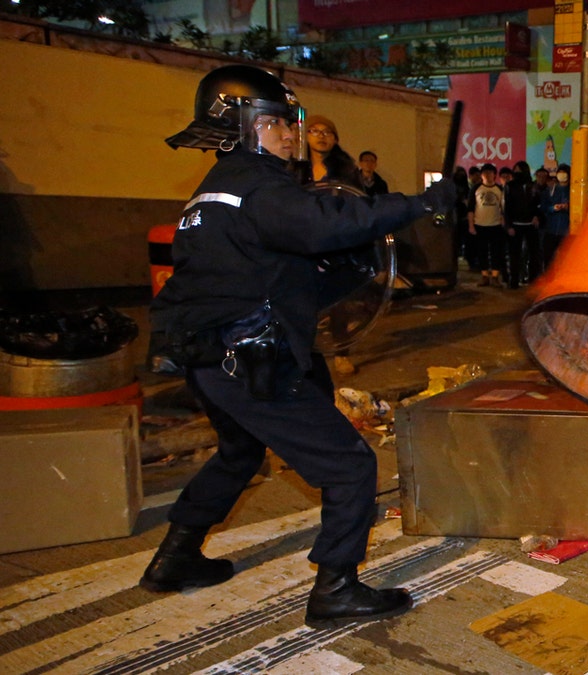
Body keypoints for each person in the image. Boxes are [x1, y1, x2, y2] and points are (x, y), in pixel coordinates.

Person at [143, 65, 456, 629]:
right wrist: (418, 204)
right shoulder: (256, 185)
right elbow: (321, 224)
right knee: (350, 465)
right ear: (239, 127)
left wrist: (348, 269)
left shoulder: (215, 193)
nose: (290, 133)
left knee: (240, 453)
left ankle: (175, 558)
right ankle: (336, 586)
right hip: (247, 360)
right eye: (276, 122)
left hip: (211, 356)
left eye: (294, 121)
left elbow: (281, 280)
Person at [298, 114, 363, 376]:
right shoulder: (295, 167)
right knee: (302, 300)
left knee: (339, 302)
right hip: (303, 242)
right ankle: (303, 352)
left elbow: (358, 204)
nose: (321, 136)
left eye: (328, 132)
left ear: (335, 138)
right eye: (315, 130)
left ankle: (341, 352)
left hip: (336, 241)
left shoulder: (346, 170)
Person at [504, 160, 542, 288]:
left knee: (533, 254)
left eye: (519, 171)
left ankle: (533, 280)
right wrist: (508, 225)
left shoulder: (532, 185)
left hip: (531, 224)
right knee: (515, 254)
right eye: (515, 171)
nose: (517, 173)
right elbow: (507, 207)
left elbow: (537, 204)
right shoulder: (510, 186)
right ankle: (514, 280)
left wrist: (536, 216)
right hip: (516, 224)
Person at [468, 163, 506, 286]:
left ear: (495, 175)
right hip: (480, 224)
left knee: (496, 251)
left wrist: (503, 221)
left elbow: (504, 207)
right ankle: (484, 276)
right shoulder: (476, 189)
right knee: (481, 251)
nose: (488, 175)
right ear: (481, 175)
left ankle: (495, 277)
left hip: (495, 225)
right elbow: (470, 209)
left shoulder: (499, 189)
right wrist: (471, 225)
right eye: (485, 173)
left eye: (490, 173)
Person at [540, 164, 570, 268]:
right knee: (548, 257)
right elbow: (543, 207)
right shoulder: (550, 190)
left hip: (566, 231)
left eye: (564, 173)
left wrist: (568, 208)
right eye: (560, 172)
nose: (562, 175)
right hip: (550, 230)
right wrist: (553, 208)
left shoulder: (573, 190)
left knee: (565, 258)